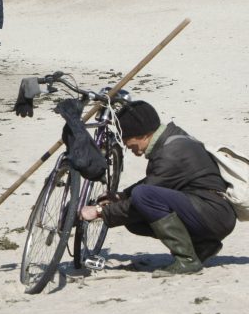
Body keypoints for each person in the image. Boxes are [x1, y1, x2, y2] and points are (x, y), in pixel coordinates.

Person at [78, 101, 236, 277]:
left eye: (127, 140)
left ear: (142, 134)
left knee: (141, 198)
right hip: (211, 210)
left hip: (213, 213)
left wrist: (100, 212)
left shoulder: (171, 153)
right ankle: (203, 245)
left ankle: (187, 260)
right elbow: (155, 182)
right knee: (135, 216)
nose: (127, 146)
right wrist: (122, 195)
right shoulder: (172, 140)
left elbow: (147, 194)